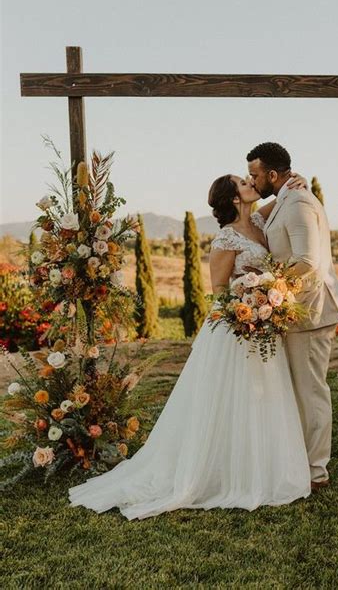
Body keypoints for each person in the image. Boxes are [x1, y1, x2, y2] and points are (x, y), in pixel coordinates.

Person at [68, 173, 311, 519]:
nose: (250, 183)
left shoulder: (258, 219)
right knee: (229, 398)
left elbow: (282, 197)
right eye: (243, 183)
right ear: (233, 199)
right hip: (236, 325)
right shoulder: (226, 239)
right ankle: (222, 470)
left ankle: (262, 465)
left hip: (263, 322)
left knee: (263, 395)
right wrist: (251, 308)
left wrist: (293, 182)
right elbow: (219, 292)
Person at [247, 142, 338, 489]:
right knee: (298, 390)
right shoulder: (288, 198)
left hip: (313, 312)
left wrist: (267, 281)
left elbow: (307, 260)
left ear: (272, 174)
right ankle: (300, 459)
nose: (252, 180)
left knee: (310, 391)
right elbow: (259, 220)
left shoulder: (301, 202)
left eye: (255, 175)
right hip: (295, 311)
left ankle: (316, 470)